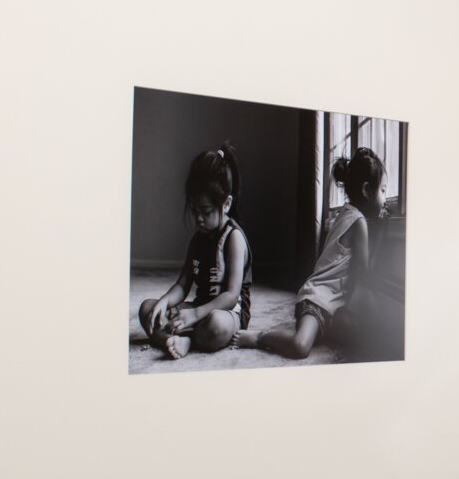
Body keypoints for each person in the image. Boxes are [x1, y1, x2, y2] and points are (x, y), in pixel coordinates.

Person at [236, 147, 385, 359]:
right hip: (317, 298)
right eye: (383, 190)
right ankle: (260, 336)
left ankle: (322, 329)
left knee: (359, 332)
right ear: (367, 190)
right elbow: (365, 272)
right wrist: (379, 231)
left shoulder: (345, 212)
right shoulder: (359, 222)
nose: (385, 198)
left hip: (333, 302)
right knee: (300, 346)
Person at [140, 144, 252, 359]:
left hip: (228, 313)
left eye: (206, 211)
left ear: (226, 204)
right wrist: (164, 301)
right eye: (194, 209)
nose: (198, 218)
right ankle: (178, 339)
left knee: (217, 325)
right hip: (198, 309)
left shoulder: (234, 238)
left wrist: (195, 314)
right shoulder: (198, 238)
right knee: (148, 310)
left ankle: (186, 340)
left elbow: (231, 296)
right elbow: (183, 285)